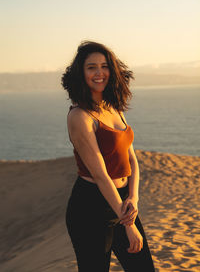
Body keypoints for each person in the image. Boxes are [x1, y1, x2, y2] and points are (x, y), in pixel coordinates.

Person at [61, 41, 155, 271]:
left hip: (122, 201)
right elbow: (101, 175)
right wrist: (128, 224)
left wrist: (133, 199)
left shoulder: (114, 107)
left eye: (104, 66)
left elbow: (131, 159)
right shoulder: (80, 117)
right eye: (91, 67)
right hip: (91, 208)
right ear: (80, 73)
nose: (99, 72)